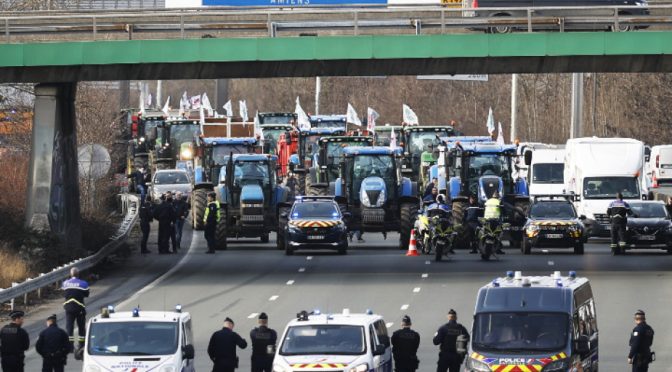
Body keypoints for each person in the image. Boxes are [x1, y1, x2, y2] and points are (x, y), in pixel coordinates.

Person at [62, 267, 89, 352]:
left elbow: (64, 294)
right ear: (78, 274)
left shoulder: (65, 283)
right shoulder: (83, 283)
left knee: (69, 328)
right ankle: (81, 345)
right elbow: (86, 294)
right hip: (80, 308)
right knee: (81, 327)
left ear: (70, 274)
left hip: (69, 309)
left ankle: (70, 347)